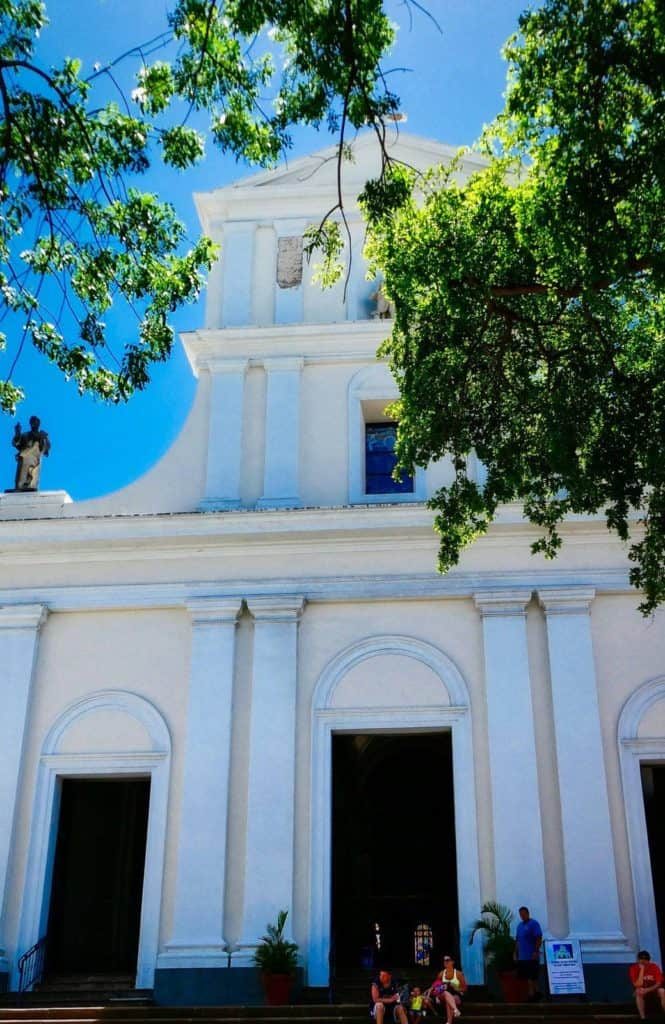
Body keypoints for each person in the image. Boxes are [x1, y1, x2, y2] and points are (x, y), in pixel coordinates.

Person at [12, 416, 50, 491]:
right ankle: (19, 487)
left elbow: (46, 447)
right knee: (22, 467)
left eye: (36, 422)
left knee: (32, 471)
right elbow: (17, 444)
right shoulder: (25, 435)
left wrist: (43, 438)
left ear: (38, 424)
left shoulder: (42, 434)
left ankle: (29, 485)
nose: (34, 424)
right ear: (30, 423)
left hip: (35, 456)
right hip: (24, 454)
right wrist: (17, 432)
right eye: (32, 422)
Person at [423, 955, 463, 1023]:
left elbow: (462, 990)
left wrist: (454, 986)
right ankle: (455, 1010)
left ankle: (449, 1021)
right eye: (445, 961)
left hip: (455, 996)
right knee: (446, 994)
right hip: (442, 996)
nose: (446, 962)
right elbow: (434, 986)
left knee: (449, 997)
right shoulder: (441, 976)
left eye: (448, 961)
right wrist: (428, 993)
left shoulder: (458, 974)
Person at [514, 906, 542, 1002]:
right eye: (520, 915)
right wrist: (515, 953)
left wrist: (535, 951)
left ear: (528, 913)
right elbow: (517, 940)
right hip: (522, 956)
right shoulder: (519, 926)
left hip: (531, 955)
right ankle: (536, 993)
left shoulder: (534, 924)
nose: (522, 916)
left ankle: (532, 995)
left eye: (523, 914)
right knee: (527, 977)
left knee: (532, 977)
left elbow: (538, 938)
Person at [629, 950, 665, 1020]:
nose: (643, 961)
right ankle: (643, 1017)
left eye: (646, 959)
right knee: (638, 991)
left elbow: (659, 983)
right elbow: (638, 984)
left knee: (662, 991)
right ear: (638, 960)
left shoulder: (654, 967)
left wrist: (648, 990)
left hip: (654, 989)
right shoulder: (633, 968)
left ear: (649, 960)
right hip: (642, 990)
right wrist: (642, 969)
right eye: (641, 959)